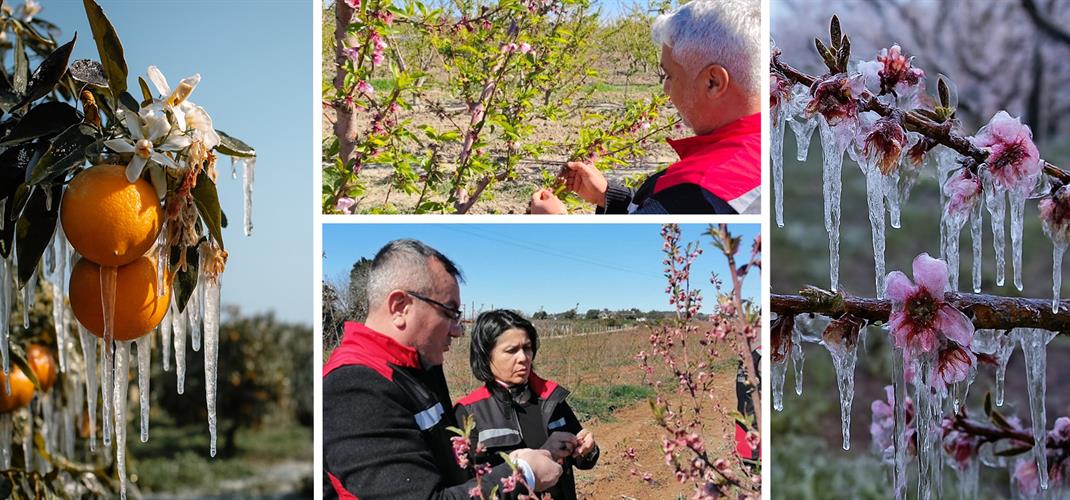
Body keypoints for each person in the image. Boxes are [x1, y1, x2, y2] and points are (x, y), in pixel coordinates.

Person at [323, 240, 562, 499]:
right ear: (400, 306)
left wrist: (497, 461)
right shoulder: (354, 387)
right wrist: (521, 473)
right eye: (449, 312)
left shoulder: (418, 366)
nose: (458, 330)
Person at [529, 0, 760, 214]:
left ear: (713, 82)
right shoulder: (758, 150)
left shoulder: (697, 189)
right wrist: (608, 196)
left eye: (669, 75)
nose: (666, 89)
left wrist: (556, 219)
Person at [454, 310, 599, 500]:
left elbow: (582, 461)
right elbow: (467, 487)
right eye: (511, 350)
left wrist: (587, 450)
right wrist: (541, 455)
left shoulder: (551, 399)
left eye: (527, 348)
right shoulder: (469, 412)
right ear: (485, 356)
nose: (523, 358)